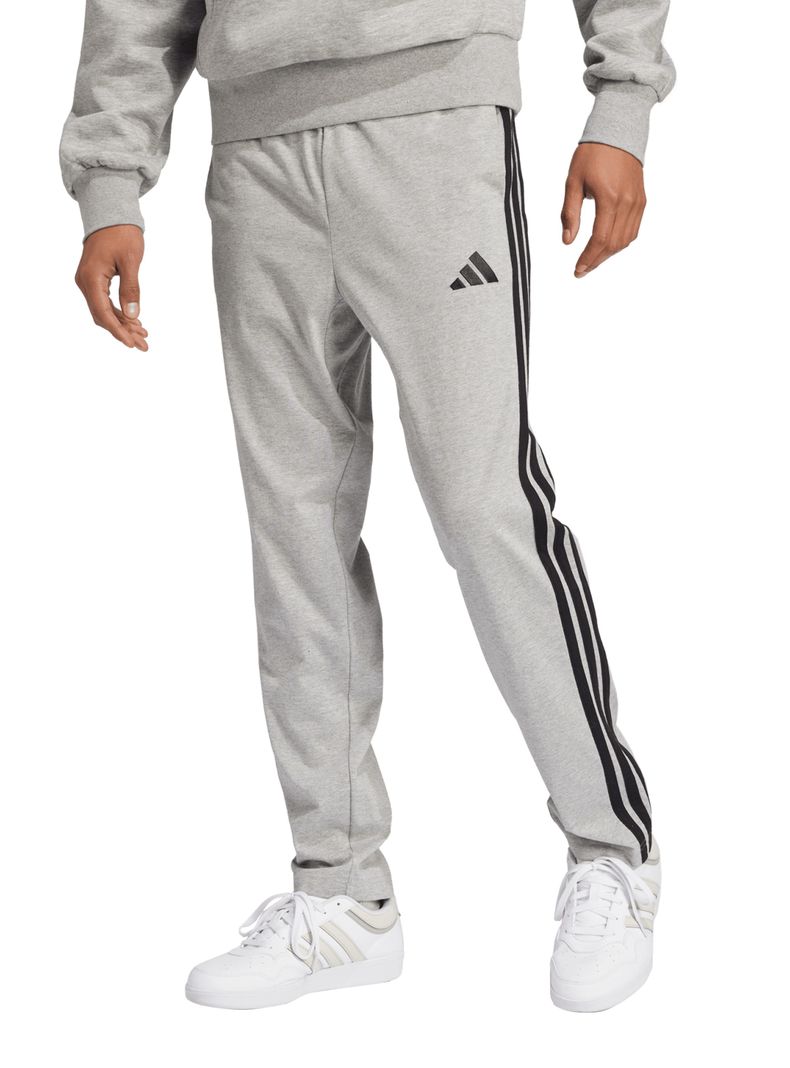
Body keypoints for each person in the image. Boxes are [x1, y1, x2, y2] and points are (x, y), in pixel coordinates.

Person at [61, 1, 674, 1013]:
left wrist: (622, 102)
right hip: (256, 148)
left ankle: (614, 853)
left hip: (435, 118)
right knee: (293, 526)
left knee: (483, 506)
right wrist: (109, 178)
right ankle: (342, 891)